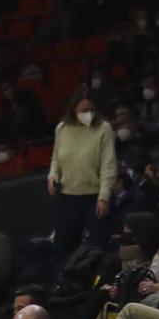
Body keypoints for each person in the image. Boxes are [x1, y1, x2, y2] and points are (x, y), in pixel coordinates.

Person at [49, 91, 118, 258]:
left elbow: (108, 165)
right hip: (67, 196)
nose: (88, 114)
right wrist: (52, 176)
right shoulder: (62, 128)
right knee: (62, 247)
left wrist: (104, 196)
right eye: (83, 110)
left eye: (91, 109)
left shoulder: (103, 128)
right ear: (73, 110)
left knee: (98, 246)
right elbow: (56, 158)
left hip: (93, 197)